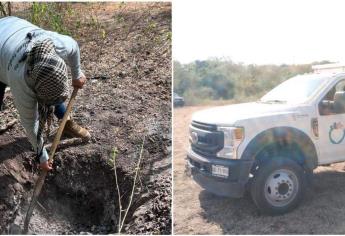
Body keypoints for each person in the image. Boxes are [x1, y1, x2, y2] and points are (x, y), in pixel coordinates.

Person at [0, 16, 91, 171]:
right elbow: (30, 124)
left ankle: (65, 123)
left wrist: (77, 75)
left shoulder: (55, 45)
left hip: (15, 27)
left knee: (50, 90)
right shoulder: (20, 81)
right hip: (3, 52)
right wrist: (42, 156)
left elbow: (74, 47)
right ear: (33, 87)